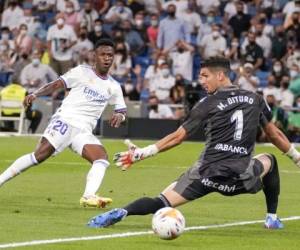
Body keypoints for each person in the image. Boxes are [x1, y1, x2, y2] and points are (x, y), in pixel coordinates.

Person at [87, 57, 300, 229]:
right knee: (269, 160)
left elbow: (178, 136)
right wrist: (296, 157)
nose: (202, 81)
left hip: (205, 175)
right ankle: (272, 218)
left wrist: (142, 153)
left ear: (221, 75)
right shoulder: (255, 99)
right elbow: (274, 135)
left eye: (205, 76)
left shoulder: (207, 103)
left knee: (161, 201)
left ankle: (123, 212)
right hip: (240, 176)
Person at [0, 39, 127, 209]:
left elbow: (121, 110)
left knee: (101, 158)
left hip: (83, 131)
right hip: (66, 120)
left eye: (110, 55)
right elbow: (57, 84)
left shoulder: (114, 86)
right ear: (94, 56)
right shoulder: (81, 72)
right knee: (39, 156)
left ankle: (88, 196)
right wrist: (36, 93)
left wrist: (119, 116)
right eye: (103, 54)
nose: (107, 58)